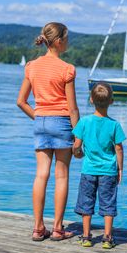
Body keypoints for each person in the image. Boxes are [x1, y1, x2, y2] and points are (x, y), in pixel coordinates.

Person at [17, 22, 79, 241]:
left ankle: (37, 228)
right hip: (61, 123)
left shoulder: (31, 66)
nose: (68, 42)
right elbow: (72, 108)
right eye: (67, 38)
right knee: (61, 175)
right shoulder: (67, 69)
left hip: (41, 122)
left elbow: (21, 101)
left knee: (41, 175)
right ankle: (58, 229)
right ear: (59, 41)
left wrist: (40, 117)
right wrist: (79, 136)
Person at [72, 82, 126, 249]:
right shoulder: (115, 125)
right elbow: (119, 149)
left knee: (86, 203)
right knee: (108, 203)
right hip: (108, 172)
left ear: (91, 100)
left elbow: (76, 145)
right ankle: (107, 238)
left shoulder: (84, 122)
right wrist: (120, 168)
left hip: (88, 170)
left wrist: (77, 153)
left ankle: (87, 236)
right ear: (111, 101)